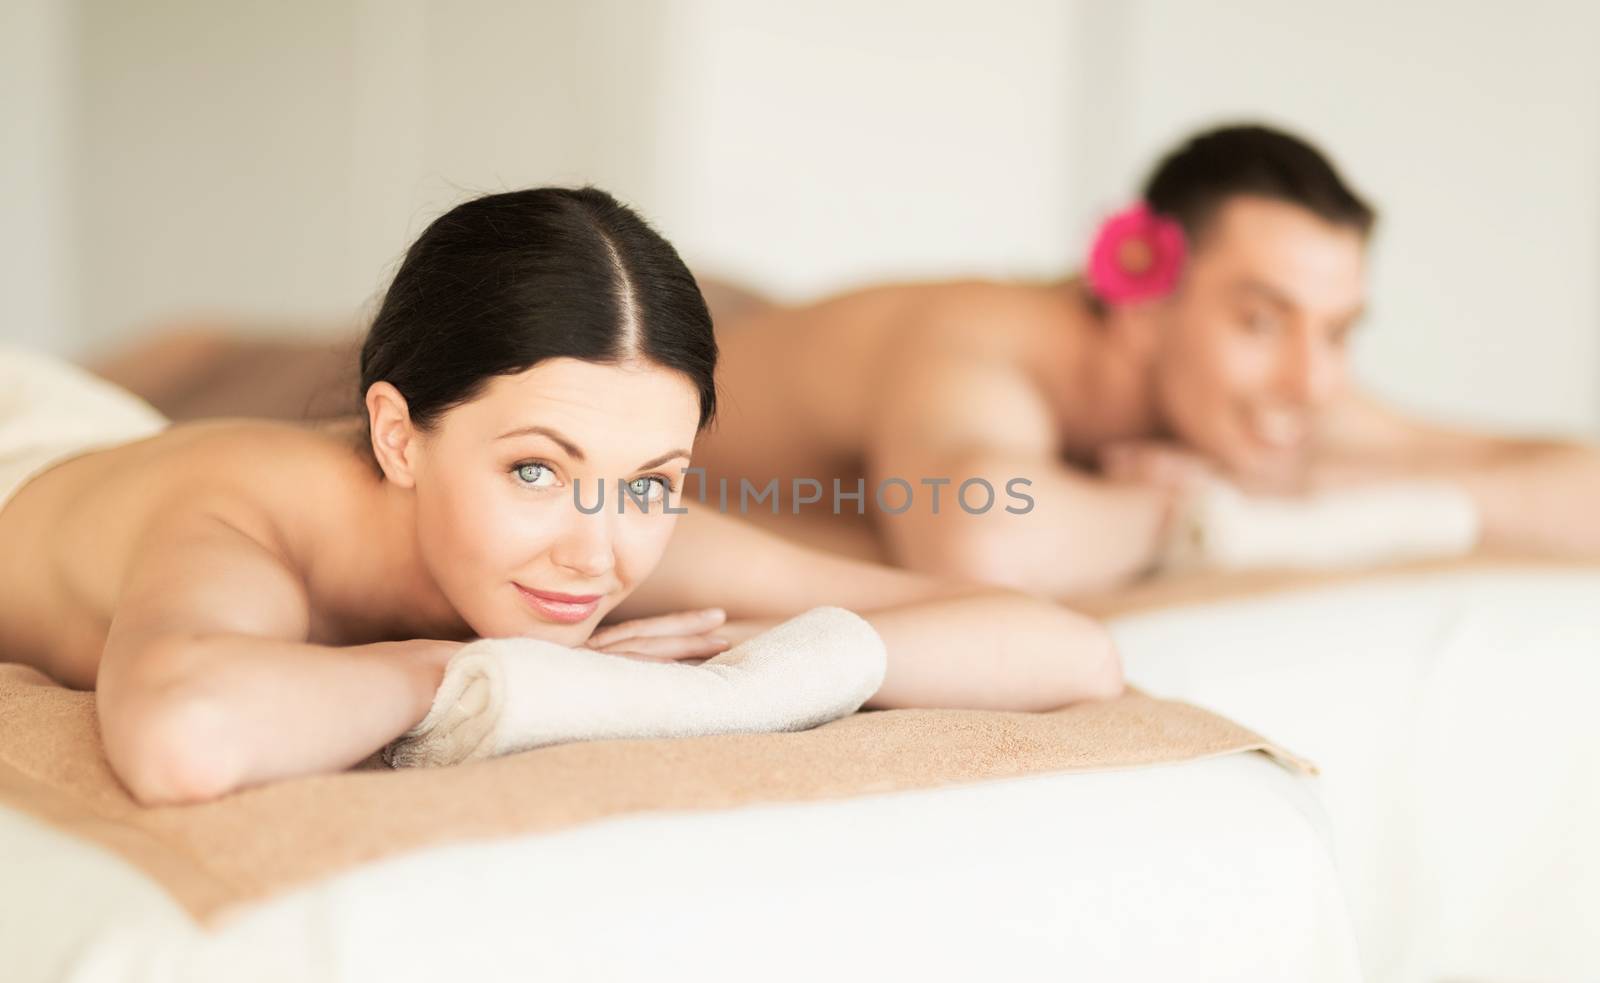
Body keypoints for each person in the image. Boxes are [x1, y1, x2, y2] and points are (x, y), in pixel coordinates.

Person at [0, 188, 1120, 807]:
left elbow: (1069, 654)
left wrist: (753, 666)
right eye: (534, 468)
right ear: (397, 434)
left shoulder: (597, 534)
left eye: (651, 483)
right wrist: (499, 673)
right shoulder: (240, 520)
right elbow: (182, 735)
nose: (597, 553)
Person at [689, 123, 1600, 593]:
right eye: (1261, 320)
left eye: (1337, 330)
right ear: (1141, 297)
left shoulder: (1271, 383)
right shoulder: (971, 348)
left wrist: (1351, 490)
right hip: (707, 375)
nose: (1313, 381)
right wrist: (1188, 508)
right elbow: (984, 537)